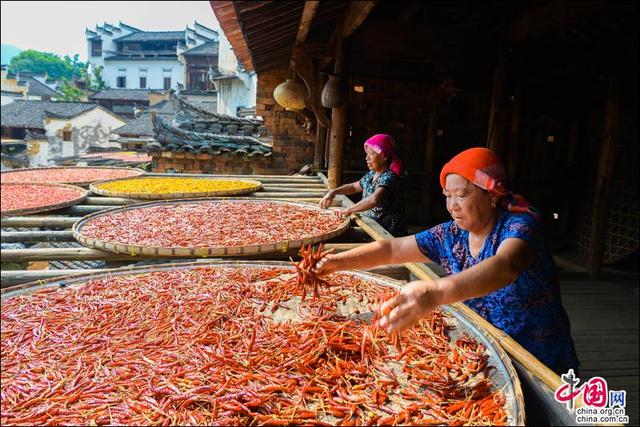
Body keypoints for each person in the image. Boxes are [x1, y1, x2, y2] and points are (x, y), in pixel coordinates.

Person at [316, 147, 579, 374]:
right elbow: (392, 250)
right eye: (447, 196)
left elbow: (505, 267)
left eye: (461, 195)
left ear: (492, 195)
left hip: (538, 360)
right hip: (486, 353)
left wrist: (435, 293)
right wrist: (336, 262)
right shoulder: (450, 234)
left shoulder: (521, 224)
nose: (452, 205)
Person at [319, 134, 407, 236]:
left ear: (385, 157)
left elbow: (373, 200)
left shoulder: (389, 177)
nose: (367, 158)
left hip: (386, 233)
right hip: (371, 225)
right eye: (367, 154)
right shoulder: (371, 175)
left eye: (372, 154)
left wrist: (350, 210)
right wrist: (333, 192)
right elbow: (353, 187)